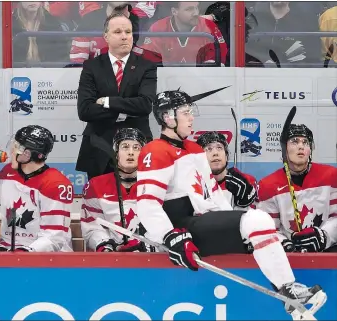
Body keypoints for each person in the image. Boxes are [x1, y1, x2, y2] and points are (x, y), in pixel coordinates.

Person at [135, 90, 327, 317]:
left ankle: (292, 299)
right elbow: (147, 204)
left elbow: (214, 195)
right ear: (167, 117)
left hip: (202, 222)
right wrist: (170, 236)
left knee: (255, 221)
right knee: (257, 219)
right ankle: (291, 294)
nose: (191, 117)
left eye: (190, 112)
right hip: (184, 229)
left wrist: (240, 229)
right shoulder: (155, 150)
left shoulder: (195, 149)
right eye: (185, 113)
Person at [76, 11, 157, 180]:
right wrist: (126, 109)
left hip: (136, 145)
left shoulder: (147, 66)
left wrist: (107, 101)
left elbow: (144, 106)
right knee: (98, 204)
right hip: (99, 147)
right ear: (106, 36)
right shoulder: (91, 67)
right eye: (118, 32)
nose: (124, 37)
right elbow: (85, 110)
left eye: (128, 32)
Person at [0, 125, 73, 252]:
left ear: (27, 154)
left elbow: (54, 238)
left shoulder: (56, 184)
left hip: (45, 257)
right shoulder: (9, 172)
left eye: (16, 147)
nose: (11, 151)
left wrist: (25, 253)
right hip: (7, 248)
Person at [257, 124, 337, 253]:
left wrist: (324, 236)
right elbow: (269, 229)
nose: (301, 146)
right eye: (294, 141)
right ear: (284, 149)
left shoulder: (331, 175)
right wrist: (283, 244)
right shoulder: (268, 185)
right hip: (289, 258)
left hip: (327, 254)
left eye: (305, 142)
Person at [81, 128, 154, 252]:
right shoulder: (96, 185)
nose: (131, 152)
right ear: (116, 152)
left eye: (136, 148)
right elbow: (92, 227)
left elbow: (164, 224)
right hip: (110, 261)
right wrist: (105, 245)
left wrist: (147, 246)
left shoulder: (156, 184)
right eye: (125, 147)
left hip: (149, 260)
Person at [141, 1, 228, 66]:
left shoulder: (208, 26)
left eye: (196, 8)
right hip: (165, 82)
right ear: (174, 11)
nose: (196, 13)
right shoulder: (157, 28)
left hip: (200, 82)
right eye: (189, 9)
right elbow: (150, 62)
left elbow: (215, 59)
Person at [196, 131, 257, 210]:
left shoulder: (246, 181)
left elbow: (252, 219)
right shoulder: (192, 184)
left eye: (219, 148)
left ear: (226, 156)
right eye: (209, 149)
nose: (215, 153)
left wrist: (245, 200)